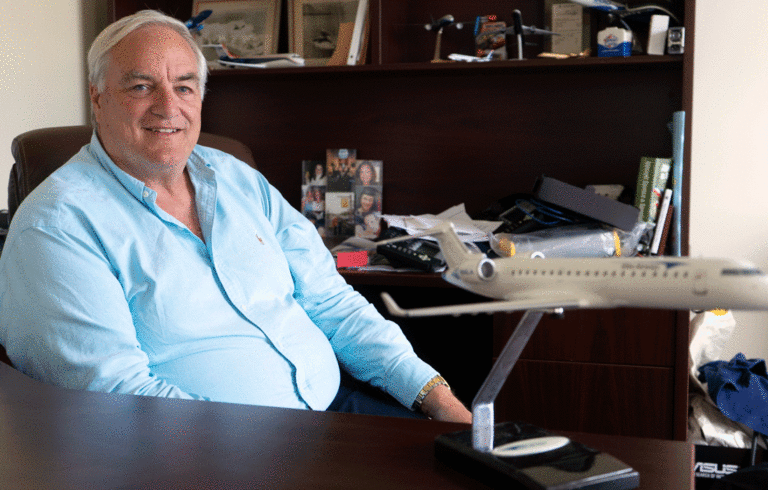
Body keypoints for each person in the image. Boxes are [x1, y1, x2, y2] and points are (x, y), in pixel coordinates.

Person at [0, 10, 471, 423]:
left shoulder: (238, 179)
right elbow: (118, 397)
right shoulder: (56, 227)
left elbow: (332, 304)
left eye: (184, 86)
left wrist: (438, 399)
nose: (169, 106)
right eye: (141, 86)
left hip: (336, 411)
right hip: (209, 453)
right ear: (98, 98)